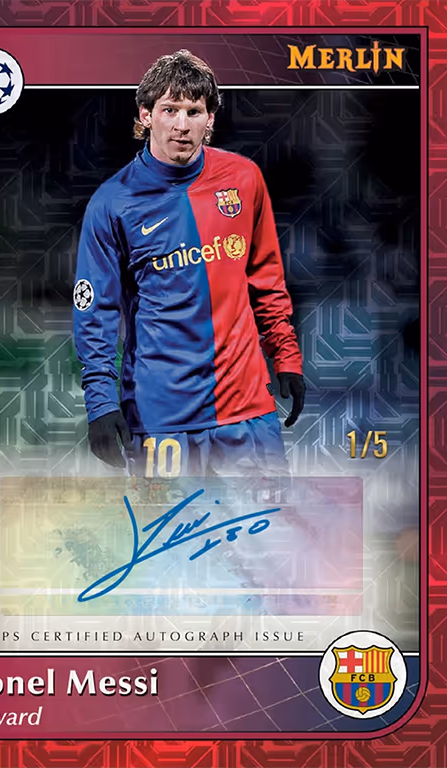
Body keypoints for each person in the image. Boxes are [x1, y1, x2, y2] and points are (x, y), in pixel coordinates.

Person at [73, 50, 305, 477]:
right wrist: (101, 403)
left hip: (246, 409)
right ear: (146, 115)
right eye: (170, 110)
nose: (182, 124)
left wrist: (286, 358)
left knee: (272, 523)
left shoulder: (244, 179)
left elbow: (267, 281)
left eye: (194, 112)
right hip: (160, 419)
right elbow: (95, 314)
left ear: (210, 118)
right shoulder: (112, 203)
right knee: (173, 526)